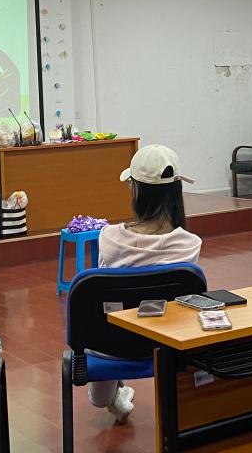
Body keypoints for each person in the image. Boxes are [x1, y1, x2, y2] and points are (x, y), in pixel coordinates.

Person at [94, 144, 202, 423]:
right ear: (177, 191)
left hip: (112, 345)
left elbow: (101, 295)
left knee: (99, 397)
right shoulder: (190, 245)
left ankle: (113, 395)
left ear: (135, 189)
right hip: (168, 342)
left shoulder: (108, 238)